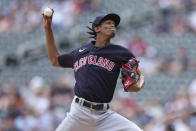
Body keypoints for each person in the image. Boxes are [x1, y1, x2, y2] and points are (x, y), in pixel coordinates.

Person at [42, 8, 145, 131]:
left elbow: (131, 86)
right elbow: (55, 59)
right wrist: (48, 29)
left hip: (105, 116)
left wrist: (140, 82)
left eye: (114, 24)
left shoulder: (122, 53)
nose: (112, 25)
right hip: (79, 113)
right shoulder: (80, 52)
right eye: (108, 23)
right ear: (97, 29)